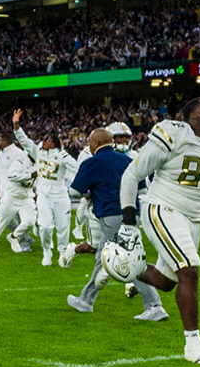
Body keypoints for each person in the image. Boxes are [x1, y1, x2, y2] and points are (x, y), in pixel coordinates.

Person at [117, 97, 200, 364]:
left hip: (195, 216)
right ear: (194, 115)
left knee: (166, 281)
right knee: (189, 269)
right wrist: (129, 221)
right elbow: (131, 174)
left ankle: (126, 267)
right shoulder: (173, 134)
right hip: (162, 207)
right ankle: (193, 346)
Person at [66, 128, 167, 320]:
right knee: (103, 257)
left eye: (89, 141)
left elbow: (74, 193)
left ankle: (154, 306)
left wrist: (90, 194)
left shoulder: (91, 163)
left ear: (95, 143)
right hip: (132, 213)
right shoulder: (127, 160)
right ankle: (86, 299)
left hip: (111, 215)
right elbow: (142, 186)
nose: (88, 145)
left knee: (126, 260)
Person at [0, 113, 39, 257]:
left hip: (25, 195)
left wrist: (36, 193)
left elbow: (38, 179)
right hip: (10, 193)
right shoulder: (19, 158)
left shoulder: (23, 155)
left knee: (28, 221)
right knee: (2, 222)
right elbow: (11, 175)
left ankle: (17, 238)